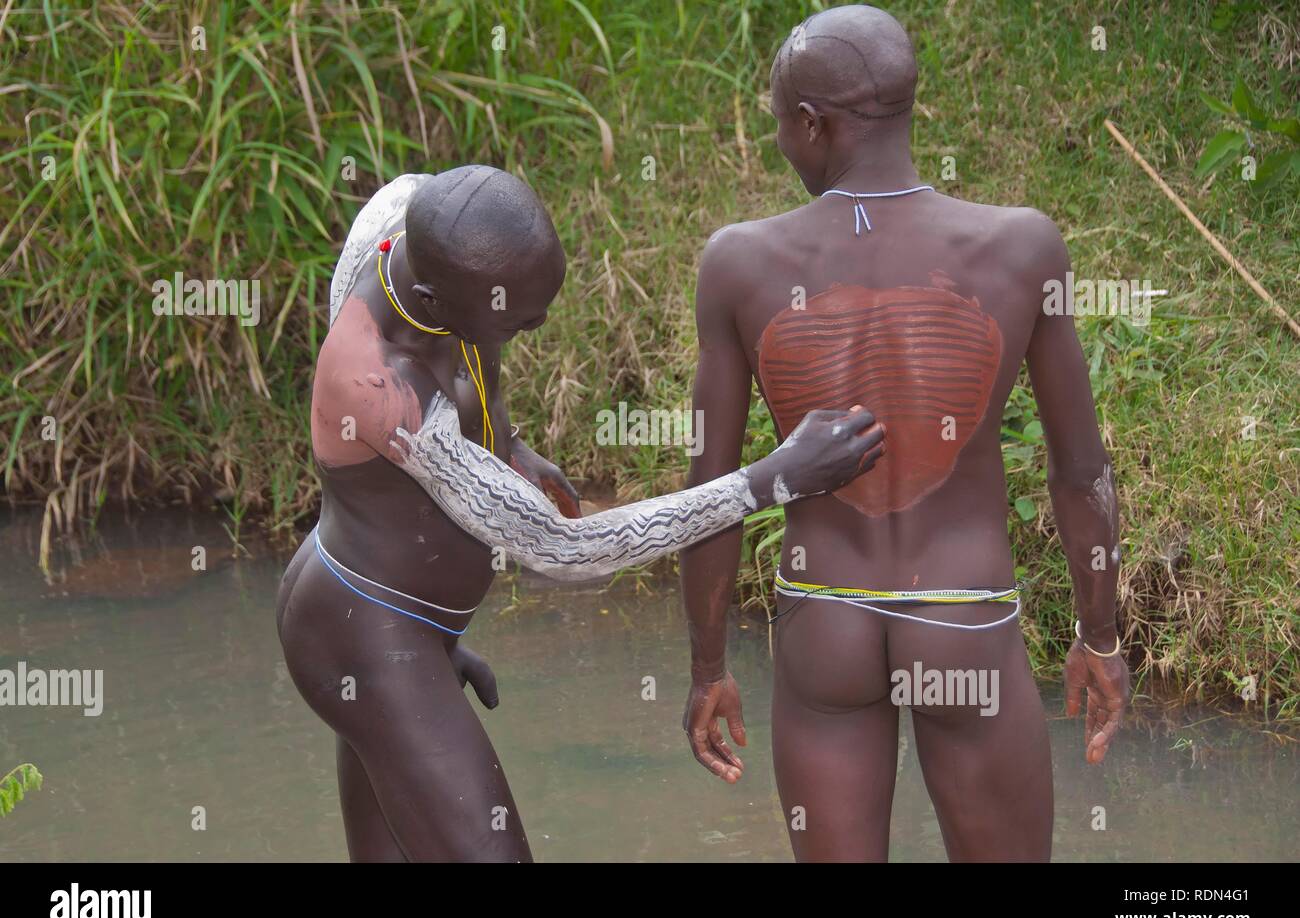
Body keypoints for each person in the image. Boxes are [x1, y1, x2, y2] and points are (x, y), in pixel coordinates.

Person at [276, 165, 887, 861]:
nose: (537, 325)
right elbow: (565, 549)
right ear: (432, 297)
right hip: (365, 631)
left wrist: (508, 447)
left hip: (384, 621)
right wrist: (771, 478)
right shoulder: (382, 387)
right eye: (519, 319)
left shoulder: (411, 213)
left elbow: (454, 391)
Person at [679, 4, 1130, 862]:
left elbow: (713, 494)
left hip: (824, 624)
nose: (781, 146)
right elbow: (1083, 474)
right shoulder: (1022, 246)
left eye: (781, 126)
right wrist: (1099, 634)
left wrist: (707, 669)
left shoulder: (738, 263)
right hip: (964, 615)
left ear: (813, 123)